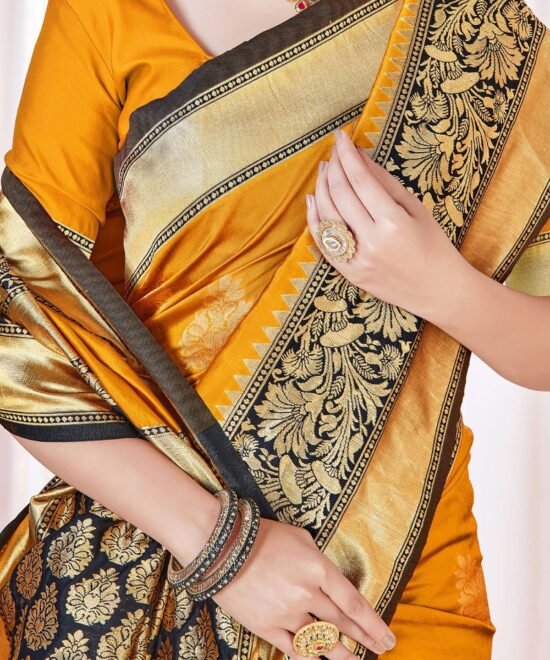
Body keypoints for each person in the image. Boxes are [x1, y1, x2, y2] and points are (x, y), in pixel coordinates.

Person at [0, 0, 549, 658]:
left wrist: (443, 286)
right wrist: (226, 550)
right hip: (162, 544)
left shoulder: (472, 26)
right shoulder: (109, 12)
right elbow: (15, 313)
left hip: (399, 561)